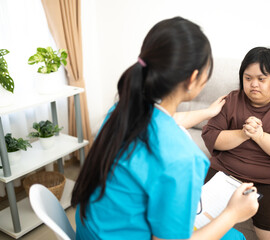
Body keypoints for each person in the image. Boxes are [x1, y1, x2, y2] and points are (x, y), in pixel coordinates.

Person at [71, 17, 259, 240]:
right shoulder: (183, 158)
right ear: (193, 79)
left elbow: (167, 120)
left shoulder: (121, 111)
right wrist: (233, 213)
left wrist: (208, 113)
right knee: (235, 236)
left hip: (92, 231)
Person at [202, 47, 270, 240]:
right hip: (228, 171)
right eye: (248, 78)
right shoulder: (232, 100)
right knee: (197, 219)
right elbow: (211, 137)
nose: (253, 84)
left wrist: (260, 136)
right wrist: (243, 133)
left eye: (261, 79)